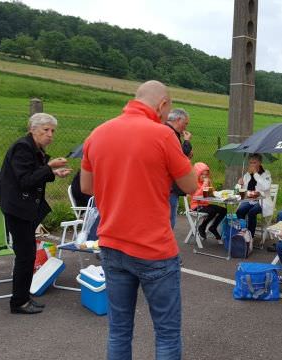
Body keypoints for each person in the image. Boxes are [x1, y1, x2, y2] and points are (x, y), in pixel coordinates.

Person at [80, 80, 197, 360]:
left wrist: (119, 183)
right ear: (162, 104)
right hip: (154, 249)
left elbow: (86, 186)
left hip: (111, 246)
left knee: (119, 331)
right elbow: (190, 184)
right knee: (166, 334)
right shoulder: (162, 135)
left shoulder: (98, 133)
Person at [0, 113, 71, 314]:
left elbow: (36, 176)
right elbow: (25, 180)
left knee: (27, 254)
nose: (50, 134)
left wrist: (53, 172)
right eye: (46, 130)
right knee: (25, 256)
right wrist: (49, 167)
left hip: (25, 207)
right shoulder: (23, 147)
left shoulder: (35, 149)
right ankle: (19, 302)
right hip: (17, 208)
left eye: (53, 131)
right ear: (32, 129)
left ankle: (23, 296)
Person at [166, 108, 193, 229]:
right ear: (178, 120)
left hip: (168, 186)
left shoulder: (171, 133)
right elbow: (178, 157)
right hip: (169, 187)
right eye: (185, 123)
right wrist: (187, 142)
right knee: (169, 220)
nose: (185, 127)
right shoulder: (169, 133)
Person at [236, 154, 273, 237]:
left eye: (254, 162)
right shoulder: (247, 175)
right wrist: (239, 184)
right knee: (240, 211)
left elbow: (266, 187)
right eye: (250, 163)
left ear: (259, 162)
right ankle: (243, 231)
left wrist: (256, 174)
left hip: (262, 201)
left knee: (251, 212)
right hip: (249, 200)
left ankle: (250, 236)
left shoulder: (266, 173)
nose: (252, 165)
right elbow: (239, 191)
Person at [190, 162, 226, 241]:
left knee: (223, 210)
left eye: (206, 175)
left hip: (205, 204)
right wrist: (204, 184)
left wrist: (209, 184)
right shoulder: (194, 183)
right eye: (202, 174)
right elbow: (196, 196)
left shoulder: (205, 183)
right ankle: (202, 226)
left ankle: (213, 227)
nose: (205, 176)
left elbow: (211, 193)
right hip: (196, 206)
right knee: (212, 211)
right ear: (197, 174)